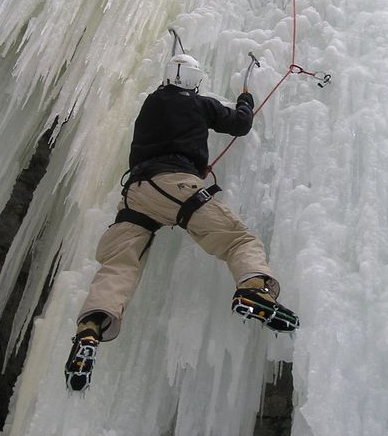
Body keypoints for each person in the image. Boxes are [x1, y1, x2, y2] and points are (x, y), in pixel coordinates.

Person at [64, 53, 299, 392]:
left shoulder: (149, 104)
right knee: (237, 240)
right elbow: (240, 125)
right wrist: (245, 100)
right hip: (176, 185)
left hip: (135, 194)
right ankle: (252, 290)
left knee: (119, 264)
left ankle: (91, 327)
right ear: (193, 80)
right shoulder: (199, 105)